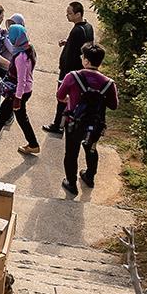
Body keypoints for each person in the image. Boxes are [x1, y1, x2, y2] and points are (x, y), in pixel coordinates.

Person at [58, 43, 118, 196]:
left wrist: (69, 100)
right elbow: (113, 105)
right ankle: (89, 176)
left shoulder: (72, 76)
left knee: (71, 153)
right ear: (100, 61)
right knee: (91, 148)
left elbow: (60, 95)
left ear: (85, 60)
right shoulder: (109, 84)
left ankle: (71, 183)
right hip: (96, 124)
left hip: (74, 122)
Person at [0, 23, 40, 154]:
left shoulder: (20, 57)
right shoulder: (28, 48)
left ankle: (33, 144)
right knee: (4, 112)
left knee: (20, 117)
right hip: (23, 90)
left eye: (11, 36)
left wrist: (17, 99)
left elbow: (21, 80)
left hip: (19, 92)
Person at [45, 1, 96, 135]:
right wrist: (67, 42)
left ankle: (57, 125)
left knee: (62, 98)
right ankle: (65, 123)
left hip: (69, 71)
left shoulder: (77, 31)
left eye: (70, 13)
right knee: (72, 98)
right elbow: (82, 46)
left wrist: (64, 69)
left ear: (78, 14)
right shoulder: (88, 27)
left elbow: (72, 54)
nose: (67, 15)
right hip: (79, 71)